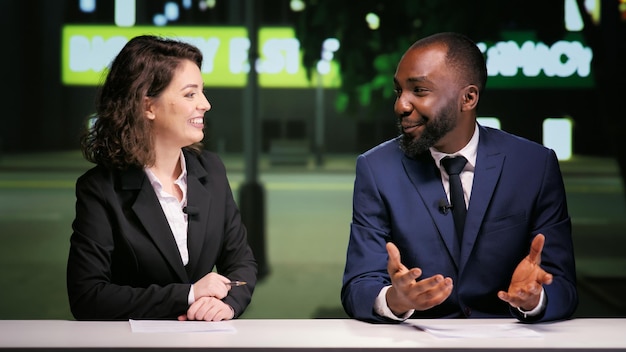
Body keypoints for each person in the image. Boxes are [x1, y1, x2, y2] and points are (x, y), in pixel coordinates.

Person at [341, 32, 577, 323]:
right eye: (399, 91)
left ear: (468, 98)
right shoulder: (376, 169)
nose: (401, 105)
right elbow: (358, 285)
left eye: (419, 90)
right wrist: (394, 299)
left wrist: (533, 298)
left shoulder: (535, 166)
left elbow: (563, 287)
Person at [66, 35, 257, 321]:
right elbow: (87, 296)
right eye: (190, 94)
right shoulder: (101, 189)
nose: (205, 104)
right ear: (148, 107)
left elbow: (241, 262)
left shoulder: (212, 170)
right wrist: (188, 295)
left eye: (202, 92)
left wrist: (227, 304)